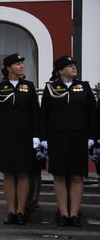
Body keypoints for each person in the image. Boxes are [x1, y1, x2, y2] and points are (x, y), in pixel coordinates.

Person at [40, 56, 96, 227]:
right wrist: (43, 139)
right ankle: (63, 213)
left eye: (74, 65)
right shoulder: (51, 88)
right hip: (57, 136)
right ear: (60, 70)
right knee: (59, 175)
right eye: (69, 66)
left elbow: (92, 114)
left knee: (77, 176)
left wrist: (92, 137)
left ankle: (74, 214)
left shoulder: (84, 86)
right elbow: (44, 115)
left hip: (79, 136)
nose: (73, 68)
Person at [0, 54, 40, 225]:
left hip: (25, 136)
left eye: (22, 64)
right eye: (18, 64)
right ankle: (11, 210)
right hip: (5, 136)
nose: (21, 66)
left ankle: (21, 211)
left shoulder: (29, 87)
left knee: (24, 172)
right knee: (9, 173)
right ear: (9, 67)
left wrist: (36, 136)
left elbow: (35, 113)